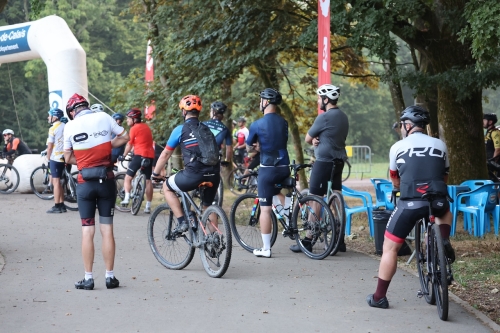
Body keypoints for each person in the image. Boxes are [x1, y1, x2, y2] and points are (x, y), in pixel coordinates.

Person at [366, 105, 455, 309]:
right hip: (437, 200)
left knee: (390, 248)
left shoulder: (398, 146)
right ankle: (443, 241)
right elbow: (445, 176)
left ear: (407, 125)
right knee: (445, 211)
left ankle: (379, 297)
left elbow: (395, 179)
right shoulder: (440, 144)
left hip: (410, 202)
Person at [63, 93, 129, 290]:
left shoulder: (70, 126)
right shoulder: (104, 117)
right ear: (86, 106)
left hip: (85, 183)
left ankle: (88, 278)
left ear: (72, 111)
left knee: (87, 231)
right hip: (106, 180)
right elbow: (125, 136)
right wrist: (106, 147)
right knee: (107, 229)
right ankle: (110, 277)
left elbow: (67, 157)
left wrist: (83, 161)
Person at [290, 84, 348, 254]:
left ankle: (308, 240)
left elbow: (308, 138)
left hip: (323, 162)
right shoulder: (343, 117)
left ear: (326, 99)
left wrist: (314, 139)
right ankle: (339, 240)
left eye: (319, 98)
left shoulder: (324, 117)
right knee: (336, 198)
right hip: (338, 161)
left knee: (315, 198)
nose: (318, 101)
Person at [152, 95, 220, 234]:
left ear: (184, 112)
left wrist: (155, 173)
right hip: (214, 174)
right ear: (199, 112)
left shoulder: (180, 129)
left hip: (194, 174)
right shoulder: (207, 129)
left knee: (167, 186)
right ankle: (215, 241)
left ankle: (183, 221)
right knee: (207, 205)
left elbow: (165, 154)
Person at [246, 88, 290, 258]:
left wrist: (256, 146)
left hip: (268, 169)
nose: (260, 103)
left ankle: (266, 248)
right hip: (284, 166)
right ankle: (288, 212)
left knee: (265, 210)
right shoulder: (284, 122)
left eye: (261, 100)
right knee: (276, 191)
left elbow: (250, 145)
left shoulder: (257, 124)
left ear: (265, 102)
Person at [119, 108, 155, 214]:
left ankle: (126, 198)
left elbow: (129, 144)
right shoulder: (146, 127)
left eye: (128, 119)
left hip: (139, 155)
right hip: (150, 155)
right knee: (148, 180)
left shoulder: (134, 128)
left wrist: (123, 155)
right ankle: (148, 206)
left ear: (134, 119)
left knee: (128, 178)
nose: (127, 121)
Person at [45, 108, 69, 214]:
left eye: (49, 115)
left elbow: (49, 147)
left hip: (55, 158)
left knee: (56, 182)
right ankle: (62, 204)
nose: (48, 117)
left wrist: (48, 158)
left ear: (55, 117)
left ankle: (57, 205)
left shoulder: (53, 128)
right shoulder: (66, 126)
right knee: (61, 182)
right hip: (66, 157)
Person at [483, 113, 500, 180]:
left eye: (484, 120)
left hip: (496, 163)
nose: (482, 122)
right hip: (489, 163)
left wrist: (493, 162)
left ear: (490, 122)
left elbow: (498, 149)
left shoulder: (495, 132)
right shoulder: (488, 132)